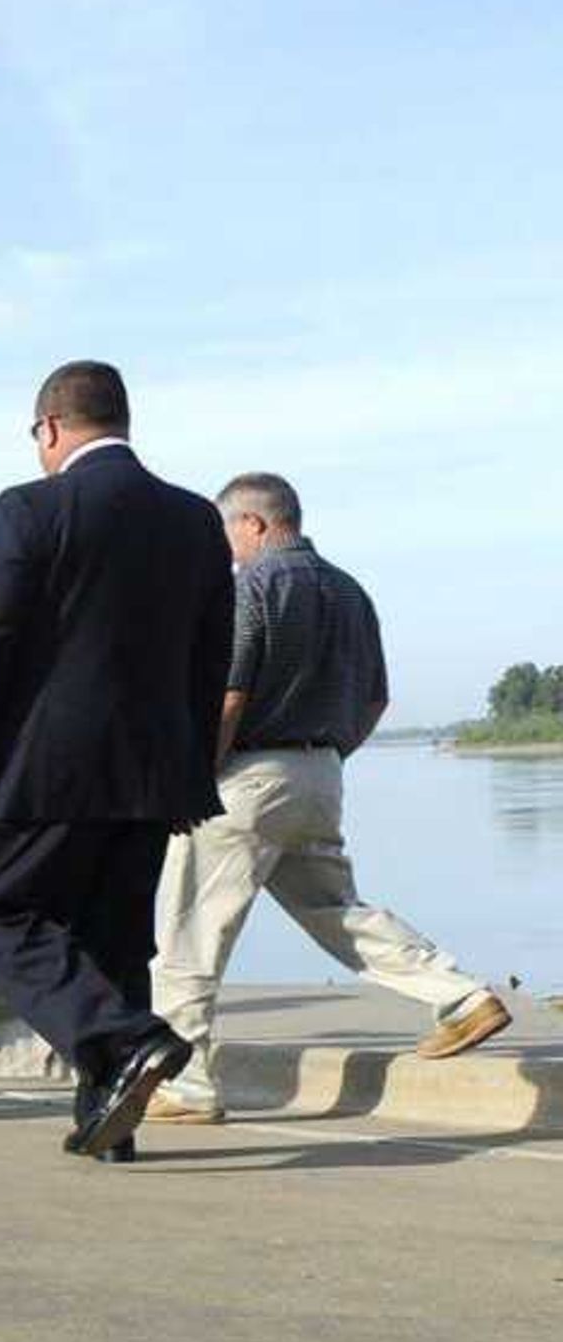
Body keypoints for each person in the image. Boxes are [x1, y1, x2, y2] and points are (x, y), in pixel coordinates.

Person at [0, 362, 230, 1162]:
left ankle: (127, 1042)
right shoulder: (196, 520)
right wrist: (190, 772)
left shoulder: (30, 508)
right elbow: (209, 657)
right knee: (115, 940)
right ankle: (109, 1123)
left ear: (49, 428)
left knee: (3, 918)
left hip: (43, 767)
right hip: (152, 773)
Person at [143, 472, 515, 1123]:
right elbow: (376, 698)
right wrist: (331, 755)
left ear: (254, 524)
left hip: (249, 775)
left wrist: (198, 776)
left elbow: (230, 694)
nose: (226, 547)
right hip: (320, 773)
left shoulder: (252, 587)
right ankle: (461, 996)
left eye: (228, 532)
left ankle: (189, 1083)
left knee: (187, 932)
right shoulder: (350, 592)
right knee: (336, 911)